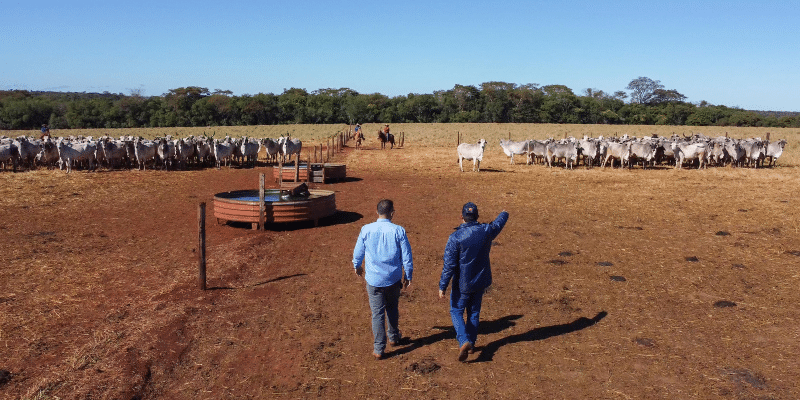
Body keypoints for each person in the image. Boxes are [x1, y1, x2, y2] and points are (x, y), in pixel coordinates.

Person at [439, 202, 508, 362]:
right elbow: (497, 224)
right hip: (480, 281)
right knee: (474, 312)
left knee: (456, 310)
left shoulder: (455, 237)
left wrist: (443, 285)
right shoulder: (485, 231)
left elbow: (449, 265)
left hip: (462, 284)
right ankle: (472, 342)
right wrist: (504, 213)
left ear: (461, 217)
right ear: (477, 216)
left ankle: (464, 341)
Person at [352, 199, 413, 359]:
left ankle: (379, 348)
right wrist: (408, 274)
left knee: (377, 313)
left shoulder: (366, 229)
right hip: (393, 279)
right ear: (392, 213)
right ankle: (393, 337)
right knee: (392, 308)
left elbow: (358, 252)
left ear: (376, 211)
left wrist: (357, 266)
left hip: (373, 280)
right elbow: (406, 256)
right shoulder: (399, 231)